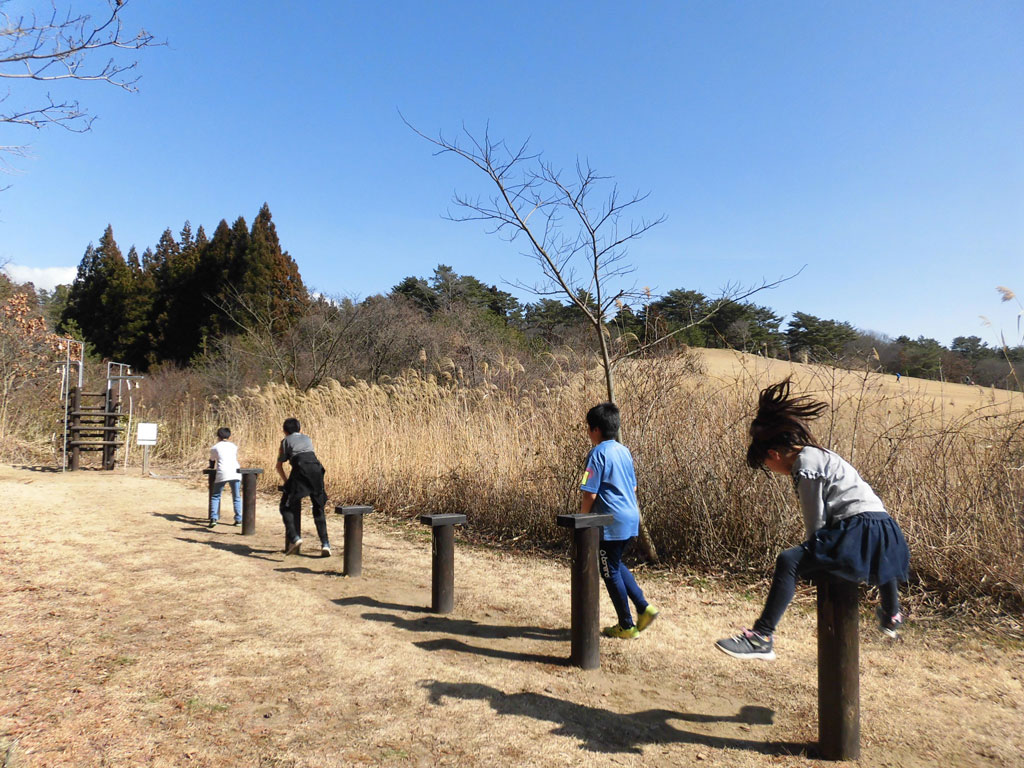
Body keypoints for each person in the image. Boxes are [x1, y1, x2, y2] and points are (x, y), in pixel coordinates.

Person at [715, 378, 910, 660]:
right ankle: (892, 613)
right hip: (885, 527)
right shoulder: (824, 455)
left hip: (857, 526)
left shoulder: (804, 466)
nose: (773, 470)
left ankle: (762, 637)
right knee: (882, 563)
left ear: (773, 454)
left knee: (789, 560)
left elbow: (815, 524)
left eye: (768, 466)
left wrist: (814, 556)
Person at [580, 402, 658, 639]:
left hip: (610, 519)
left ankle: (627, 625)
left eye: (587, 428)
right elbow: (633, 486)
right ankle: (644, 608)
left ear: (595, 430)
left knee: (608, 570)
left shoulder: (596, 454)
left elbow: (590, 492)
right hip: (630, 515)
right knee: (614, 563)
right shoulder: (624, 451)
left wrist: (582, 520)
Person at [276, 417, 330, 557]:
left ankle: (295, 537)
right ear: (300, 429)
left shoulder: (285, 441)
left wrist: (287, 482)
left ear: (284, 431)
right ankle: (325, 544)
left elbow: (279, 466)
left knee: (285, 506)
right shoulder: (307, 438)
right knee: (318, 508)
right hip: (317, 469)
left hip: (300, 469)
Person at [208, 427, 242, 527]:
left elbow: (212, 460)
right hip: (235, 472)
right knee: (236, 496)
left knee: (216, 496)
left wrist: (211, 467)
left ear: (218, 436)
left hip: (222, 472)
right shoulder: (233, 446)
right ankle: (239, 519)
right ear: (229, 436)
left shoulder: (215, 447)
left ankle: (214, 518)